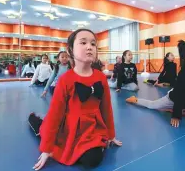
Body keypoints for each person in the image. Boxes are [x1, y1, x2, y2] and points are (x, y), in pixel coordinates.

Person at [30, 29, 122, 170]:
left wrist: (111, 134)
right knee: (44, 128)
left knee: (92, 160)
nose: (89, 46)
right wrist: (46, 149)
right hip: (70, 128)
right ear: (71, 50)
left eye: (93, 44)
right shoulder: (65, 80)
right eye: (83, 42)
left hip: (93, 128)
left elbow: (106, 108)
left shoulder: (101, 77)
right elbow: (55, 114)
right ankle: (37, 123)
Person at [125, 40, 185, 128]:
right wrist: (176, 115)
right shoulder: (183, 74)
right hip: (174, 99)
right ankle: (135, 100)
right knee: (152, 105)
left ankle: (183, 110)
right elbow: (180, 96)